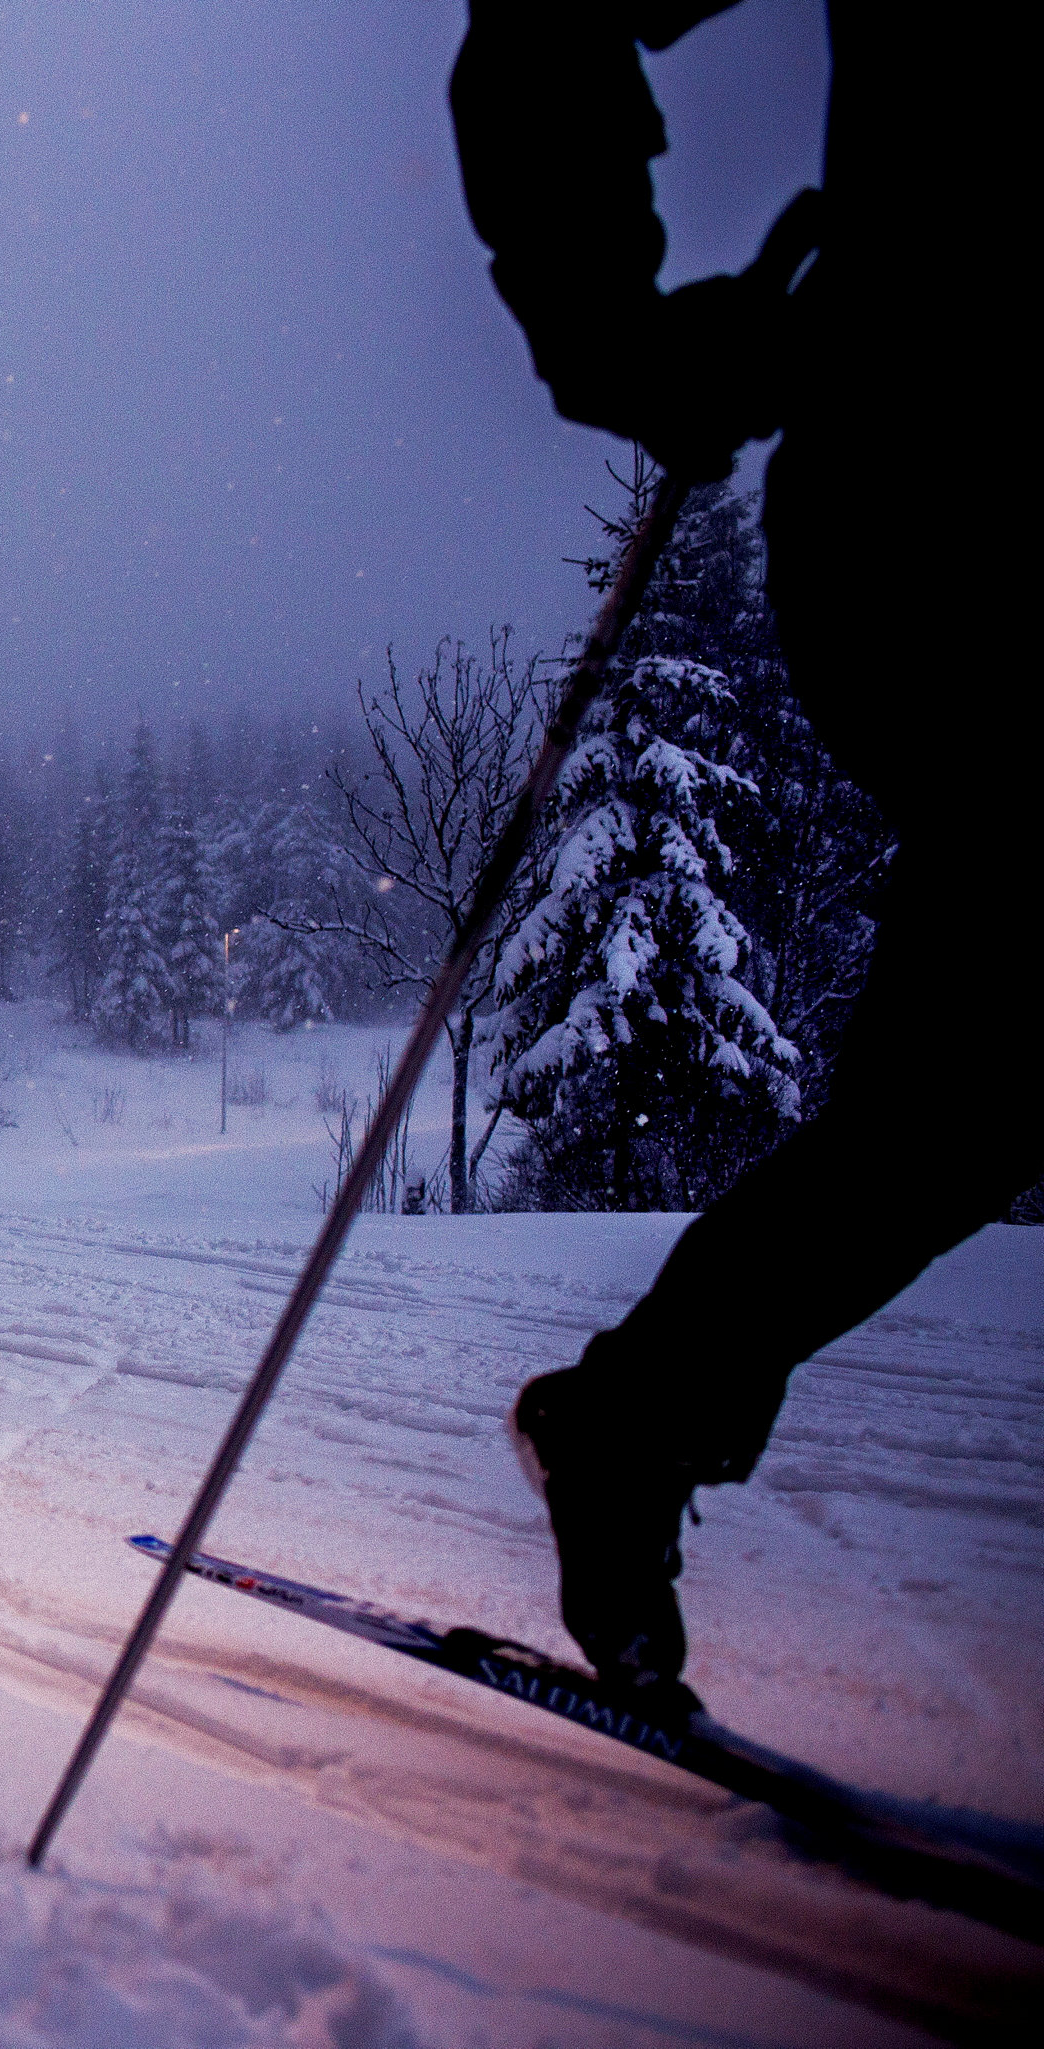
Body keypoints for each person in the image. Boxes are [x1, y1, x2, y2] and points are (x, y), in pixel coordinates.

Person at [451, 5, 1035, 1718]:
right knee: (981, 1066)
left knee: (969, 1083)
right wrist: (614, 331)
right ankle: (635, 1417)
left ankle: (633, 1421)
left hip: (926, 464)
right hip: (956, 482)